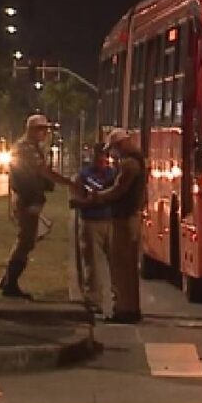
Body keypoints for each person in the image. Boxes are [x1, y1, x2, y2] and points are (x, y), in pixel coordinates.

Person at [0, 113, 77, 299]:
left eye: (46, 130)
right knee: (25, 241)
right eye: (41, 129)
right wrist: (68, 183)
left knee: (26, 240)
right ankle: (10, 284)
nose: (45, 133)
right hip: (27, 200)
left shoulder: (31, 147)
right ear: (32, 130)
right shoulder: (27, 148)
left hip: (29, 199)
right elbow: (40, 173)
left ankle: (8, 280)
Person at [72, 128, 146, 323]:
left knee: (121, 266)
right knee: (127, 267)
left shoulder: (129, 164)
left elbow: (118, 190)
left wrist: (98, 197)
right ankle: (129, 307)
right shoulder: (134, 160)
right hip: (129, 216)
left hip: (124, 218)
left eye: (114, 148)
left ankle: (123, 309)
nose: (113, 153)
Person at [72, 143, 116, 317]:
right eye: (99, 156)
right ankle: (93, 300)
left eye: (105, 156)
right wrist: (89, 201)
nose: (102, 160)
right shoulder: (83, 176)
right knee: (92, 265)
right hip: (90, 221)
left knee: (116, 266)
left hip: (110, 221)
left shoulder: (113, 175)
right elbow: (74, 200)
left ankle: (117, 302)